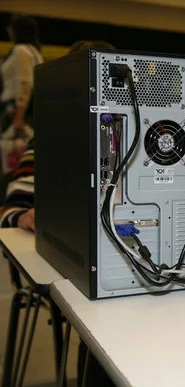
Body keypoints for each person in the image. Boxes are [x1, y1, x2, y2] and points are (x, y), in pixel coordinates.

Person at [0, 40, 116, 387]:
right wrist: (24, 217)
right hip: (72, 272)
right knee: (103, 326)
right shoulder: (48, 140)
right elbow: (12, 207)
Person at [0, 15, 43, 131]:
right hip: (27, 108)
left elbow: (25, 83)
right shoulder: (34, 52)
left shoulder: (20, 50)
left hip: (14, 108)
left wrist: (19, 117)